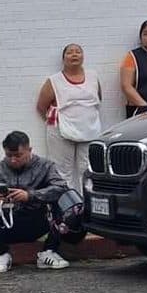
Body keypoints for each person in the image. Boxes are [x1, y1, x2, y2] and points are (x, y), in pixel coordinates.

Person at [0, 131, 76, 274]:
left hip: (37, 220)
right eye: (9, 155)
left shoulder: (45, 166)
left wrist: (30, 195)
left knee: (66, 202)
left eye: (18, 155)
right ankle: (2, 254)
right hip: (6, 225)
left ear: (29, 150)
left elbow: (61, 188)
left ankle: (49, 251)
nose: (13, 160)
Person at [34, 43, 100, 191]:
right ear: (63, 58)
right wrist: (60, 121)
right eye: (70, 52)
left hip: (90, 129)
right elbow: (41, 106)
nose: (74, 54)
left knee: (88, 169)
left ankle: (87, 201)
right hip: (61, 130)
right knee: (62, 170)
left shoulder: (93, 76)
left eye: (78, 51)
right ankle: (67, 203)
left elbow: (98, 100)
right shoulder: (54, 80)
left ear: (83, 56)